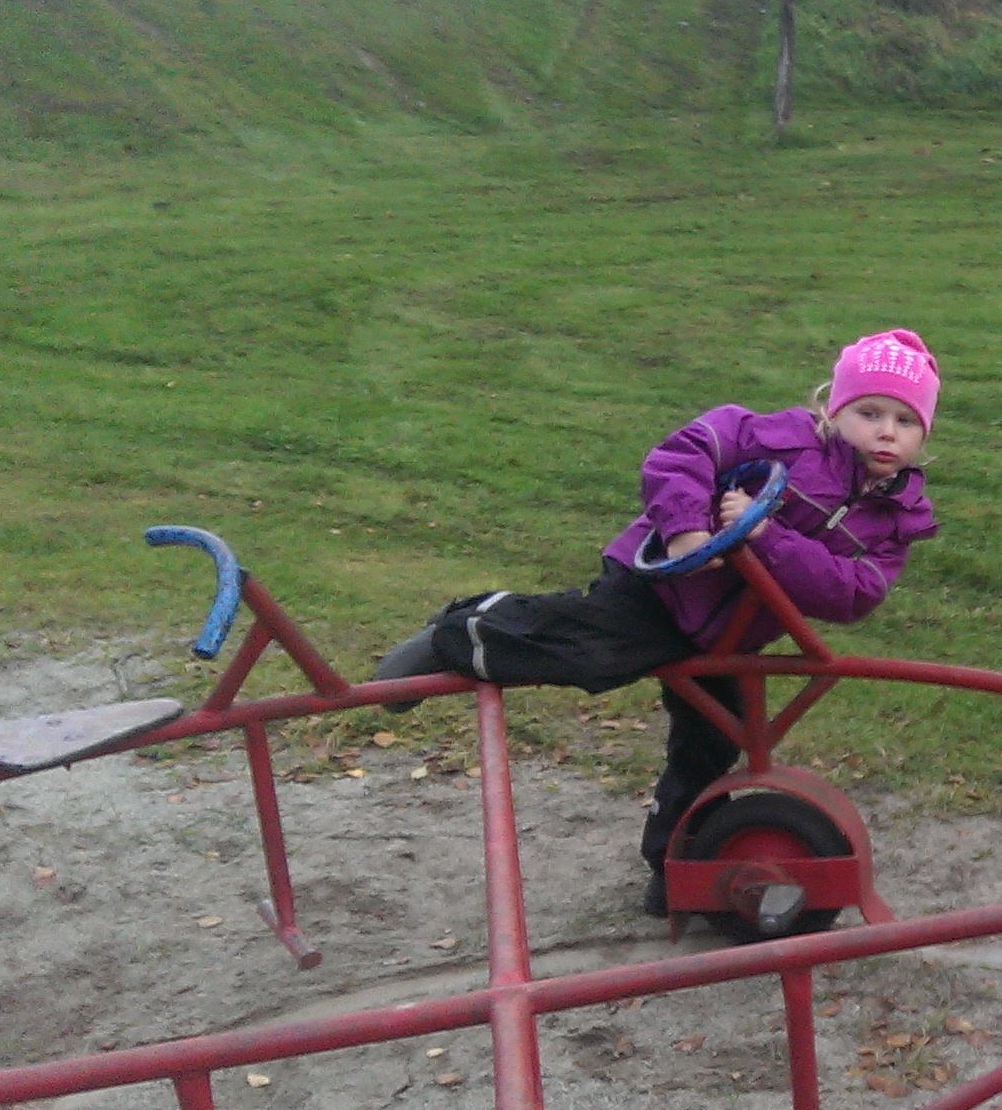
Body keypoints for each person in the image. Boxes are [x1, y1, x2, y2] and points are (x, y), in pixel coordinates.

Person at [373, 329, 940, 915]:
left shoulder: (897, 517)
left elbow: (855, 593)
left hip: (729, 637)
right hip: (660, 590)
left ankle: (678, 866)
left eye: (905, 420)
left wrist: (767, 535)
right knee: (588, 651)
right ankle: (461, 633)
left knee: (713, 745)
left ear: (923, 433)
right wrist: (687, 529)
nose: (886, 432)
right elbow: (680, 454)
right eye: (869, 413)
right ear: (832, 408)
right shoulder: (776, 439)